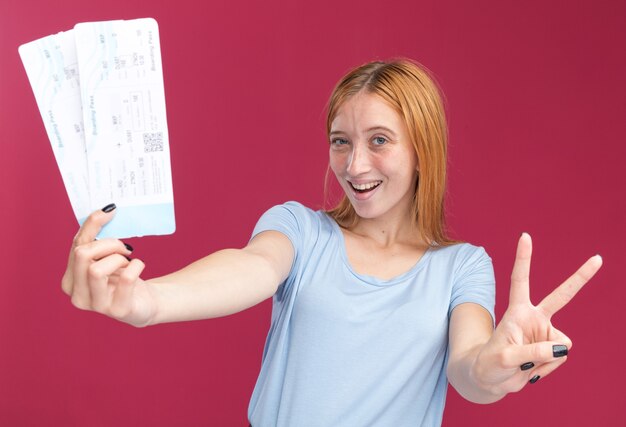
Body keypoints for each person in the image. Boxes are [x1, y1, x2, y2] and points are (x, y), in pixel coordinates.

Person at [62, 59, 603, 426]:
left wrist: (495, 367)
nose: (354, 165)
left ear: (423, 149)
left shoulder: (462, 267)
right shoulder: (301, 229)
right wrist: (146, 300)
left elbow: (468, 367)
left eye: (379, 141)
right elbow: (250, 267)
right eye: (341, 142)